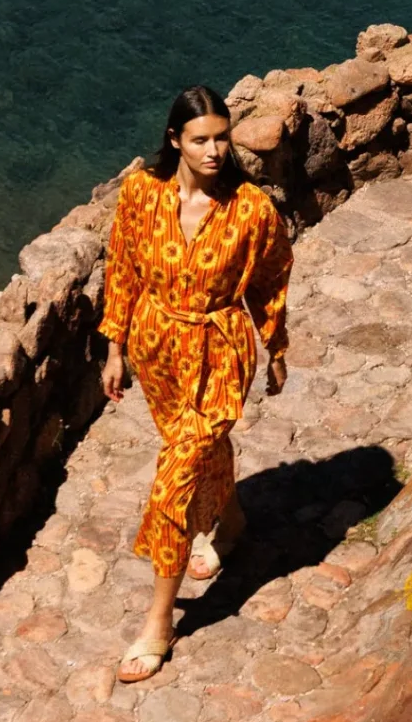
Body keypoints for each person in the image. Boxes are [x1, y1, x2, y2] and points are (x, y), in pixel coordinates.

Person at [100, 84, 291, 682]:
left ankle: (158, 622)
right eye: (201, 139)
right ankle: (230, 525)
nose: (214, 151)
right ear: (175, 140)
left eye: (222, 138)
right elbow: (122, 268)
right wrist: (115, 348)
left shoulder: (250, 208)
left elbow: (271, 278)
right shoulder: (141, 193)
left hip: (219, 352)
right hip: (156, 347)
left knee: (175, 479)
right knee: (200, 450)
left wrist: (276, 346)